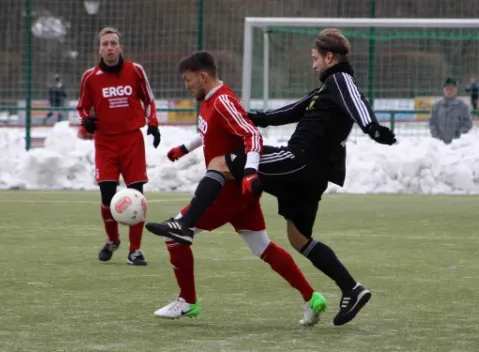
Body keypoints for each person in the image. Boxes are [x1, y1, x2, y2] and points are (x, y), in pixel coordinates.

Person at [146, 28, 397, 326]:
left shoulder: (340, 78)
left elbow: (355, 99)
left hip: (300, 160)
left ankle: (183, 229)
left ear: (330, 57)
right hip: (311, 174)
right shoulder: (324, 89)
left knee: (221, 163)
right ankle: (350, 288)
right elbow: (295, 110)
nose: (313, 64)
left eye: (315, 58)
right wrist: (257, 117)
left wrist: (374, 128)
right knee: (298, 238)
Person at [152, 51, 327, 325]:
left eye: (188, 80)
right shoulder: (210, 101)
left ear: (202, 76)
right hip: (237, 193)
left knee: (175, 235)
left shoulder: (222, 101)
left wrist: (250, 171)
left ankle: (187, 301)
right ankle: (312, 297)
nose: (186, 86)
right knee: (263, 248)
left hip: (226, 191)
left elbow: (252, 134)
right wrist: (184, 148)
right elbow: (209, 131)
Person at [76, 27, 161, 265]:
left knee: (137, 196)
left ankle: (135, 251)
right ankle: (113, 240)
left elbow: (149, 99)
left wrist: (153, 124)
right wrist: (87, 120)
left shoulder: (135, 71)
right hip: (105, 143)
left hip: (132, 141)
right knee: (107, 196)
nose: (110, 48)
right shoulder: (90, 77)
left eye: (113, 43)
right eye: (105, 44)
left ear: (120, 47)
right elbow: (82, 106)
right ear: (99, 49)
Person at [429, 78, 473, 144]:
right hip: (439, 145)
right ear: (443, 90)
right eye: (447, 89)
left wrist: (459, 135)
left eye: (451, 89)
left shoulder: (463, 107)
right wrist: (437, 137)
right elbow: (432, 123)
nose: (449, 91)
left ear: (456, 90)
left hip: (457, 145)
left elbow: (468, 123)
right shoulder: (436, 106)